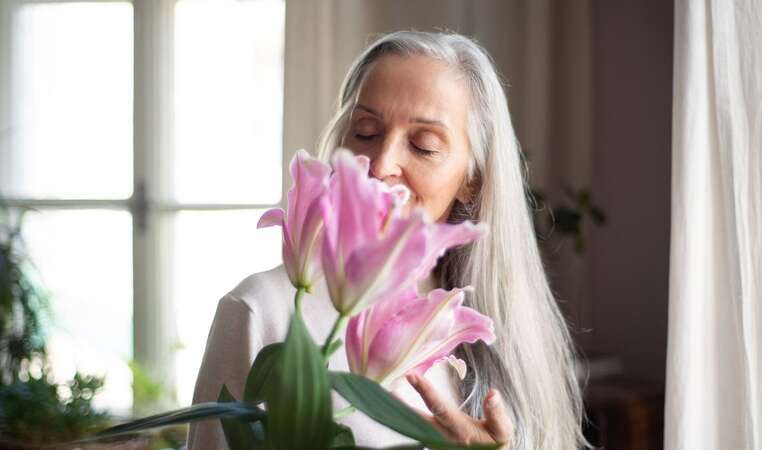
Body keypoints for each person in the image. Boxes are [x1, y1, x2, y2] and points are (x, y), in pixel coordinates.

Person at [188, 31, 585, 450]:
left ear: (472, 181)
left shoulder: (476, 327)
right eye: (365, 131)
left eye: (423, 145)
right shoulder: (260, 310)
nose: (381, 165)